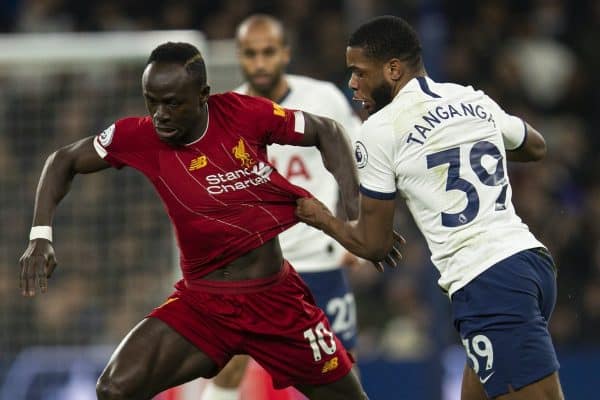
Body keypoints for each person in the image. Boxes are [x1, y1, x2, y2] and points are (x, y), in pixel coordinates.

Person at [18, 41, 383, 400]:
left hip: (276, 304)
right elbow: (62, 160)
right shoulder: (139, 136)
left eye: (173, 103)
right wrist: (40, 234)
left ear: (203, 95)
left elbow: (328, 131)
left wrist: (355, 212)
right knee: (114, 389)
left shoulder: (244, 113)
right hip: (204, 306)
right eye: (152, 101)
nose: (160, 113)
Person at [296, 16, 565, 400]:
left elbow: (373, 245)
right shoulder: (470, 97)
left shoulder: (380, 129)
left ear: (392, 69)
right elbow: (535, 146)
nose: (353, 84)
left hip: (487, 282)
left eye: (358, 72)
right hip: (530, 263)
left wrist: (320, 217)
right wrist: (470, 138)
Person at [201, 14, 363, 400]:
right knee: (230, 361)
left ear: (285, 53)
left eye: (268, 52)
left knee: (342, 366)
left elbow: (358, 160)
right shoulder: (223, 117)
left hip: (319, 259)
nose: (260, 63)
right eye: (251, 54)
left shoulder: (323, 99)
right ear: (238, 56)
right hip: (260, 267)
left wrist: (354, 228)